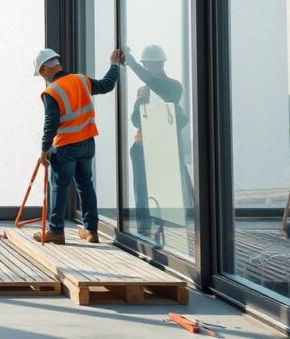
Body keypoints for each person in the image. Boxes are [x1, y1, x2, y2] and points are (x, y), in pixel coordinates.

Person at [34, 47, 123, 244]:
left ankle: (56, 232)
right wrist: (114, 65)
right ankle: (91, 231)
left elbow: (51, 123)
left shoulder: (52, 92)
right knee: (86, 185)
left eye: (41, 74)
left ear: (44, 70)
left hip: (65, 146)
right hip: (87, 143)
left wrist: (44, 149)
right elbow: (107, 85)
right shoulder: (81, 80)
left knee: (58, 186)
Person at [124, 45, 191, 237]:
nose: (151, 68)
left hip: (163, 145)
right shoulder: (142, 90)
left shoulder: (173, 86)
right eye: (148, 65)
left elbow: (156, 84)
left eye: (153, 64)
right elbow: (136, 120)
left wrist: (133, 64)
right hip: (143, 144)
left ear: (162, 64)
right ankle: (144, 226)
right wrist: (140, 101)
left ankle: (164, 225)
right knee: (142, 188)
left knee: (161, 188)